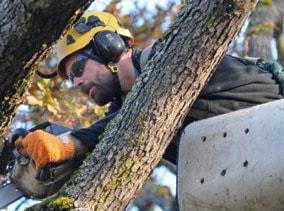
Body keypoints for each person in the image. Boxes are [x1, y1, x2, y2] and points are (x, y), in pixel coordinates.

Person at [15, 11, 284, 169]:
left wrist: (72, 143)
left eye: (77, 70)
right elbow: (117, 128)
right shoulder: (122, 115)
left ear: (107, 46)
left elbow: (135, 118)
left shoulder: (171, 58)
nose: (76, 83)